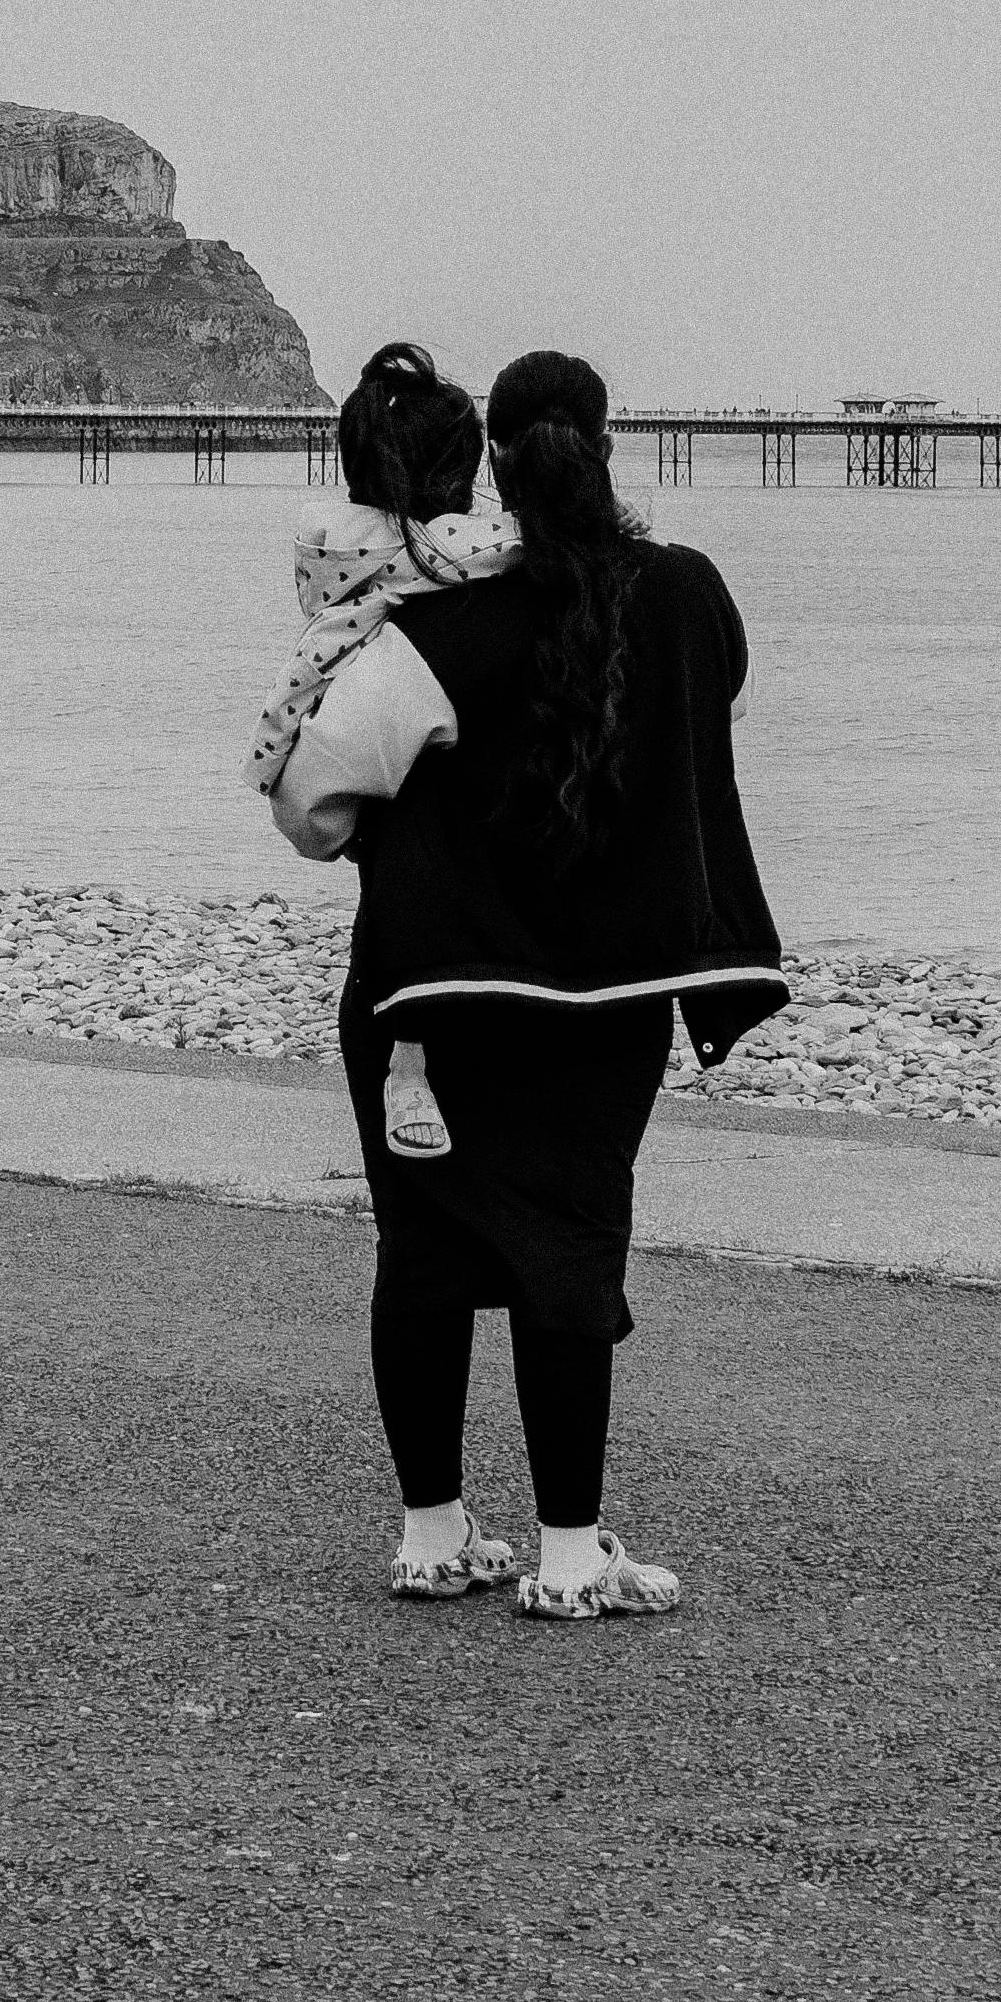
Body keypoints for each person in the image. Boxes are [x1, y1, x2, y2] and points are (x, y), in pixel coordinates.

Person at [269, 346, 784, 1621]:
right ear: (608, 446)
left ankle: (433, 1540)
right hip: (613, 1000)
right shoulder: (689, 596)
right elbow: (710, 697)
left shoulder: (431, 631)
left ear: (493, 460)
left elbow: (314, 800)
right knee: (570, 1251)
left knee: (427, 1254)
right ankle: (567, 1557)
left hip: (427, 1007)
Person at [248, 343, 515, 1167]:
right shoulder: (459, 558)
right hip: (493, 909)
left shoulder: (331, 545)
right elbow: (504, 543)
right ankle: (412, 1060)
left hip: (375, 857)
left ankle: (408, 1057)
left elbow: (313, 819)